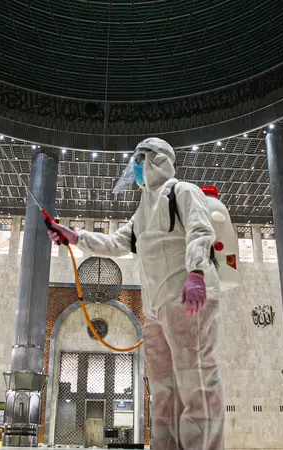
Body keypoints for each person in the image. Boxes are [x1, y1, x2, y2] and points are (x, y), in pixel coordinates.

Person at [48, 137, 224, 450]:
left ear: (155, 159)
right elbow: (116, 243)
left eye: (139, 160)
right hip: (156, 308)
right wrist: (75, 236)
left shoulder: (182, 191)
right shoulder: (142, 210)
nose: (136, 168)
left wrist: (196, 272)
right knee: (162, 388)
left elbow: (200, 230)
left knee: (195, 382)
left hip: (186, 297)